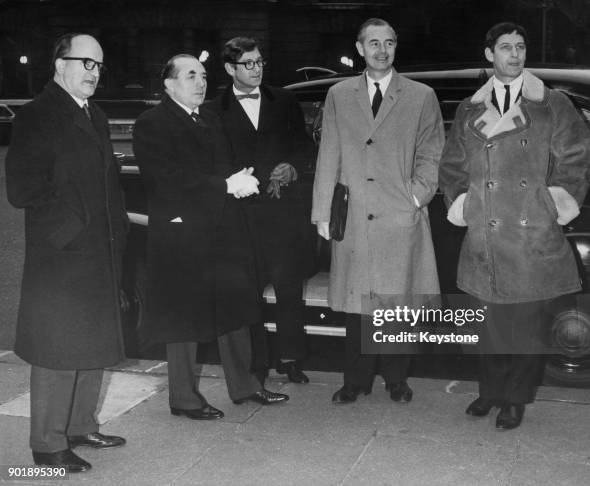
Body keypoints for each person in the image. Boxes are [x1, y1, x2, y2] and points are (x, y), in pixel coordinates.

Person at [439, 22, 590, 429]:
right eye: (506, 48)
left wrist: (555, 202)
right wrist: (461, 202)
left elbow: (578, 158)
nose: (515, 55)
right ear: (489, 54)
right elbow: (452, 164)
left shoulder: (551, 103)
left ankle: (515, 399)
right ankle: (489, 391)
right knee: (488, 321)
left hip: (531, 232)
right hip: (485, 233)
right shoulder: (469, 108)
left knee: (526, 325)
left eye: (520, 47)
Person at [133, 54, 288, 417]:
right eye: (191, 76)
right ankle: (183, 398)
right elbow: (165, 179)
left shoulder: (209, 119)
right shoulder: (152, 123)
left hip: (221, 230)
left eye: (203, 76)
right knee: (183, 319)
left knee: (235, 309)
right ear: (169, 84)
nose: (201, 83)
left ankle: (245, 385)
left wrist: (241, 178)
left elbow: (221, 169)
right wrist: (225, 185)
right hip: (182, 234)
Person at [5, 33, 127, 472]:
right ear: (59, 64)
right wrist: (71, 229)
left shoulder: (93, 113)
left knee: (92, 343)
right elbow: (23, 188)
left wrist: (118, 232)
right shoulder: (37, 115)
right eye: (85, 63)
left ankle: (80, 426)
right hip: (63, 255)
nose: (93, 72)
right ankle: (47, 445)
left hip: (99, 250)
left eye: (98, 65)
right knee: (57, 350)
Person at [311, 18, 445, 403]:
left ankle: (396, 379)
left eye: (388, 43)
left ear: (396, 46)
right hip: (354, 216)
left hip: (400, 213)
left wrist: (416, 197)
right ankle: (355, 379)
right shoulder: (339, 94)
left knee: (399, 304)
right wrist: (323, 211)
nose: (382, 50)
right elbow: (329, 153)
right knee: (357, 305)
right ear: (359, 48)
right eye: (374, 43)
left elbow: (432, 152)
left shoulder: (420, 95)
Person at [208, 37, 316, 384]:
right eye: (248, 64)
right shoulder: (213, 110)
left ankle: (292, 359)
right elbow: (212, 163)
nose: (256, 69)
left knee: (289, 290)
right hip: (241, 216)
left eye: (259, 62)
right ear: (229, 68)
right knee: (248, 292)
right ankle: (256, 365)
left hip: (284, 215)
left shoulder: (284, 100)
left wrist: (292, 167)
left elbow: (304, 148)